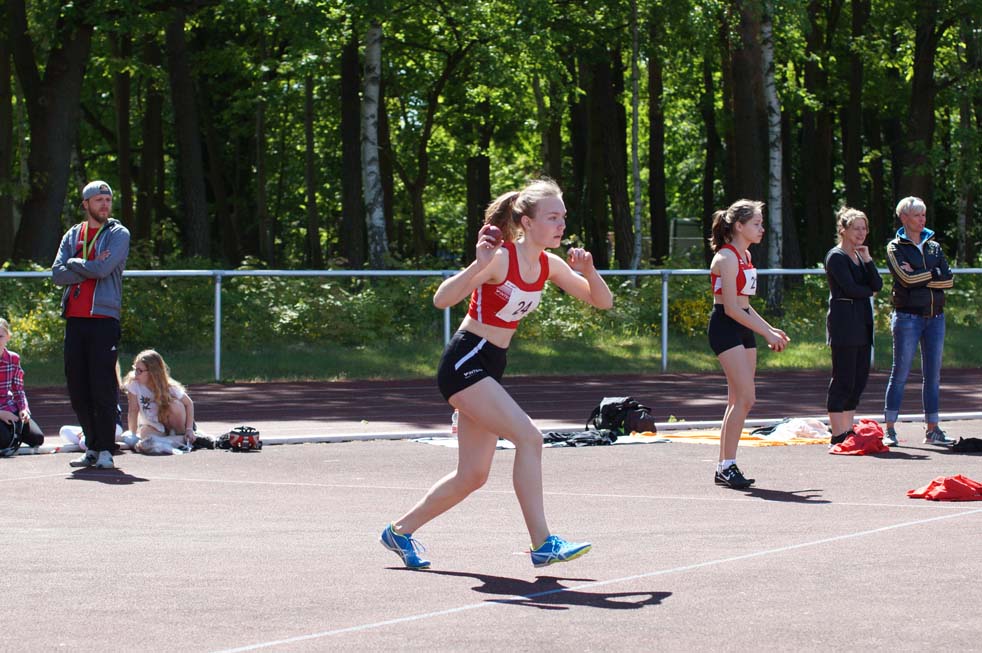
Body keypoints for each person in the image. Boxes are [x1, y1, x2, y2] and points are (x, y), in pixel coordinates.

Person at [380, 179, 613, 569]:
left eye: (563, 217)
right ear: (527, 222)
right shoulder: (501, 259)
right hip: (465, 361)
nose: (560, 225)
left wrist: (590, 271)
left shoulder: (549, 265)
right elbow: (442, 299)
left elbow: (602, 301)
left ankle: (399, 532)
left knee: (472, 475)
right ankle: (543, 543)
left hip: (490, 365)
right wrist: (479, 264)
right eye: (552, 217)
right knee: (530, 437)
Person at [708, 199, 789, 488]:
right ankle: (727, 465)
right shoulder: (726, 258)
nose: (762, 228)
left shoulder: (746, 256)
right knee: (746, 398)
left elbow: (744, 306)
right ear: (739, 226)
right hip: (725, 327)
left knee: (738, 400)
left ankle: (724, 466)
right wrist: (766, 334)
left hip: (742, 328)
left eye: (761, 223)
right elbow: (730, 308)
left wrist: (769, 329)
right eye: (756, 223)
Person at [51, 180, 130, 469]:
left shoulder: (118, 233)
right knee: (78, 386)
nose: (105, 204)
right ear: (86, 204)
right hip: (75, 320)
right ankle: (92, 447)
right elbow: (57, 274)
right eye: (99, 200)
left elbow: (104, 269)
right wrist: (86, 264)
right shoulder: (73, 234)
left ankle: (107, 448)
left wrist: (75, 264)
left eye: (108, 200)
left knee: (102, 386)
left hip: (104, 321)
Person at [882, 196, 954, 447]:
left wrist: (921, 275)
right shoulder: (894, 247)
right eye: (916, 215)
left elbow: (948, 280)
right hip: (907, 317)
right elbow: (906, 280)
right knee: (900, 373)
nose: (922, 220)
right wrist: (932, 274)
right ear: (904, 218)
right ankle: (889, 429)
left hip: (936, 317)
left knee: (933, 376)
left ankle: (933, 430)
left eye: (923, 215)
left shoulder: (934, 247)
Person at [824, 207, 882, 446]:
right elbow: (850, 288)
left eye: (864, 228)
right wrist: (868, 291)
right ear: (843, 230)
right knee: (843, 378)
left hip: (862, 323)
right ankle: (837, 434)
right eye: (856, 228)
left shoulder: (860, 256)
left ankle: (848, 430)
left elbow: (877, 284)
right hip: (844, 324)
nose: (861, 233)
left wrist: (868, 260)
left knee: (859, 380)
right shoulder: (836, 257)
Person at [121, 349, 196, 452]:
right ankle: (175, 441)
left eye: (140, 371)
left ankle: (183, 436)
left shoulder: (169, 386)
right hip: (154, 427)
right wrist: (132, 434)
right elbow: (133, 411)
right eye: (135, 369)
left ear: (152, 372)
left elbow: (189, 404)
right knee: (144, 433)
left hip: (171, 424)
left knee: (175, 405)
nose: (135, 373)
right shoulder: (133, 384)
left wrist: (189, 429)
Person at [0, 318, 45, 453]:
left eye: (0, 336)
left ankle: (10, 431)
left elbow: (18, 390)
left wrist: (23, 410)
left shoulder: (13, 359)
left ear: (8, 337)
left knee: (37, 438)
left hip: (9, 407)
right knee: (3, 440)